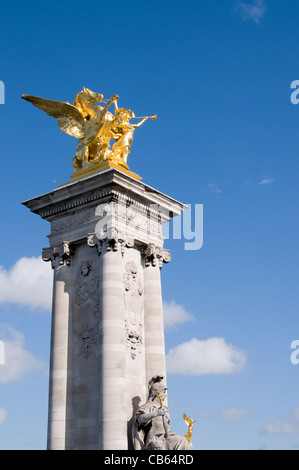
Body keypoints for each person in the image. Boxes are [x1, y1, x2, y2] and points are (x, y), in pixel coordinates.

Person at [133, 376, 193, 450]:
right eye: (163, 392)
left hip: (165, 439)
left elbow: (168, 430)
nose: (165, 395)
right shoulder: (148, 407)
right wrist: (155, 414)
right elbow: (139, 419)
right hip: (154, 442)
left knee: (185, 444)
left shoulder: (164, 409)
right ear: (156, 393)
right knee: (181, 442)